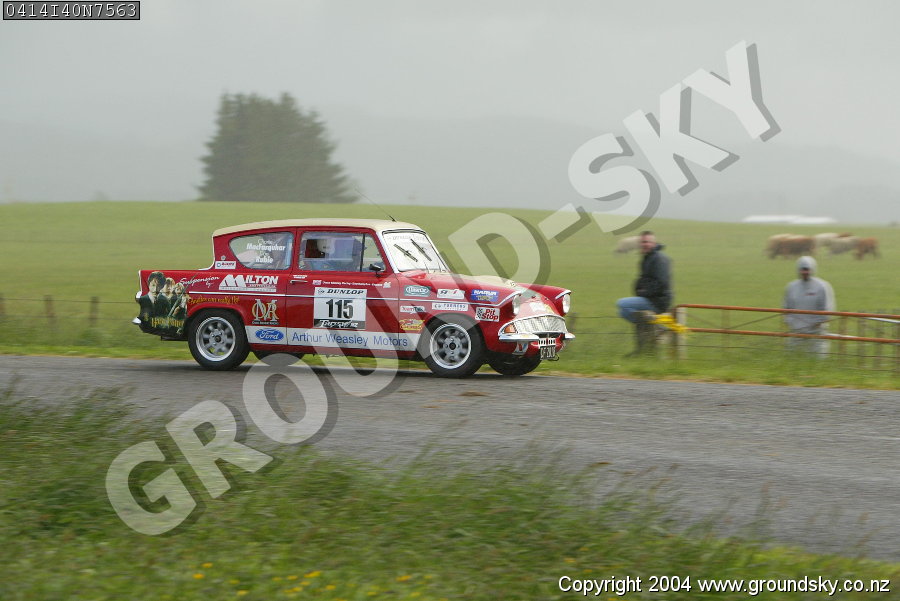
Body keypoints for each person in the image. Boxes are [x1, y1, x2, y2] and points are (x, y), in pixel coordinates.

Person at [615, 231, 673, 355]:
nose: (645, 244)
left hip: (658, 301)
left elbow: (661, 283)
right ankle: (650, 332)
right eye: (643, 242)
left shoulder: (659, 259)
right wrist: (639, 289)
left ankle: (659, 328)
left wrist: (644, 292)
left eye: (647, 242)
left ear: (654, 243)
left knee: (622, 303)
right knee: (622, 312)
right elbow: (644, 279)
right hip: (650, 298)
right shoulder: (648, 258)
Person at [783, 256, 835, 357]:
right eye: (802, 269)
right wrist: (793, 323)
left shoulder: (822, 287)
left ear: (813, 269)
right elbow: (786, 308)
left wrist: (814, 325)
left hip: (816, 335)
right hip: (796, 333)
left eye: (807, 269)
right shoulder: (791, 287)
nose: (805, 272)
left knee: (817, 360)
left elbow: (827, 311)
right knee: (792, 358)